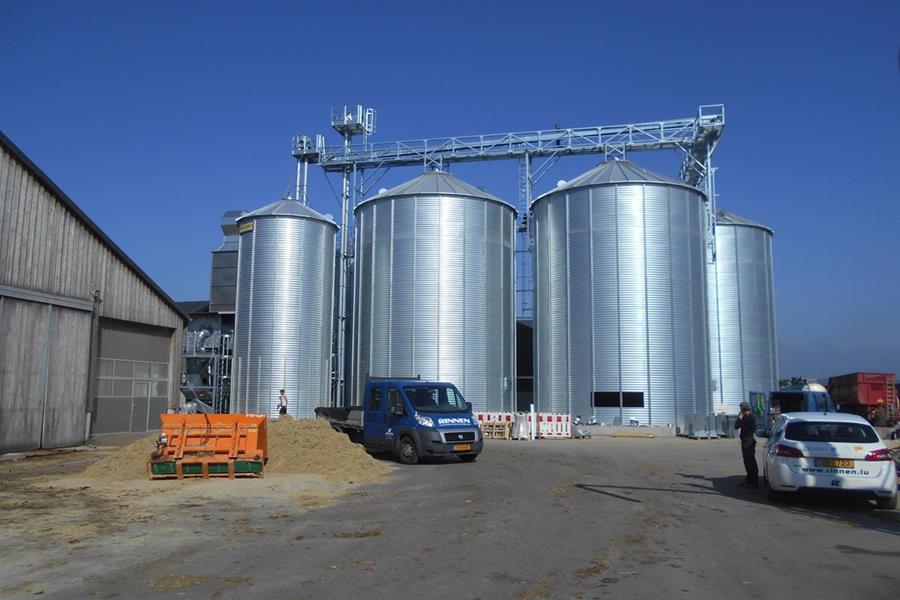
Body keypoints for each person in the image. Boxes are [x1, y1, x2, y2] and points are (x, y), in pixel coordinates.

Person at [734, 401, 758, 488]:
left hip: (748, 441)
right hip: (746, 440)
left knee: (750, 461)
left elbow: (736, 426)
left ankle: (753, 482)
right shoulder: (750, 416)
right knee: (747, 461)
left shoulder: (748, 417)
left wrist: (739, 417)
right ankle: (749, 480)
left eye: (741, 410)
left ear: (743, 409)